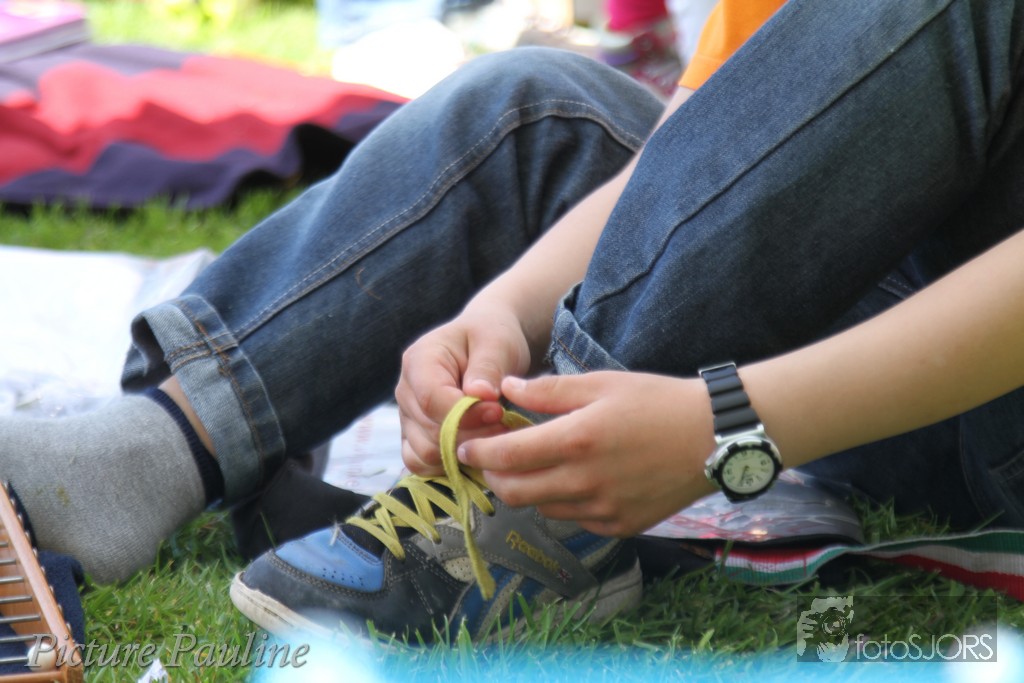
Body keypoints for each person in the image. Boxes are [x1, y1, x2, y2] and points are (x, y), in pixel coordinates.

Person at [3, 0, 1024, 643]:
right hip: (905, 305)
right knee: (538, 104)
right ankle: (149, 452)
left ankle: (537, 514)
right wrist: (497, 310)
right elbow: (716, 143)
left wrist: (725, 430)